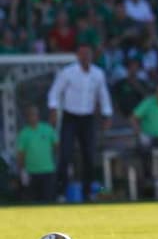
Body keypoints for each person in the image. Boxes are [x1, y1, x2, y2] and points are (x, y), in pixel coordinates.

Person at [48, 45, 113, 202]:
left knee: (89, 156)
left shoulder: (98, 74)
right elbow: (55, 92)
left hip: (88, 118)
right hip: (70, 117)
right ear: (77, 56)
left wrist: (107, 114)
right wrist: (54, 110)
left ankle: (88, 193)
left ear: (92, 56)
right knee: (65, 155)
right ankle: (61, 193)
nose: (85, 57)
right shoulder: (68, 73)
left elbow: (103, 95)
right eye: (82, 54)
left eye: (88, 54)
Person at [17, 106, 58, 202]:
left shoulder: (48, 129)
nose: (32, 117)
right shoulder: (24, 133)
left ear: (38, 116)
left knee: (49, 200)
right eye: (30, 115)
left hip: (48, 171)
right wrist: (22, 171)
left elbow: (56, 146)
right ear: (27, 117)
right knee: (33, 201)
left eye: (34, 115)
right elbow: (21, 154)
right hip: (31, 172)